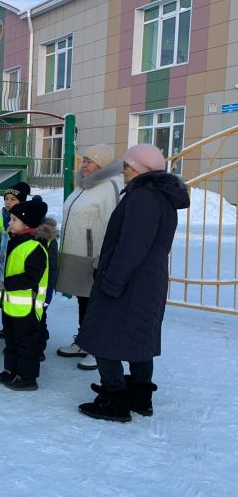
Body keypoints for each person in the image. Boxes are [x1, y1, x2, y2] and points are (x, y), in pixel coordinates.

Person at [76, 143, 189, 422]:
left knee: (103, 337)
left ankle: (115, 400)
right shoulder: (159, 196)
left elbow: (132, 246)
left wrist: (111, 282)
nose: (123, 170)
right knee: (139, 338)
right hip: (147, 281)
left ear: (139, 168)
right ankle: (140, 398)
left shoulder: (143, 197)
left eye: (127, 165)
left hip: (129, 281)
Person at [55, 144, 123, 370]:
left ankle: (97, 348)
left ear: (102, 165)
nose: (84, 165)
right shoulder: (83, 186)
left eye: (89, 161)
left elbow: (112, 224)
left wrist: (103, 257)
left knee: (95, 302)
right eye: (84, 160)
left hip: (93, 255)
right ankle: (84, 342)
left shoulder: (110, 186)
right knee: (82, 299)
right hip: (75, 252)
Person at [0, 199, 53, 391]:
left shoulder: (35, 247)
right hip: (10, 304)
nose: (9, 223)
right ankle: (11, 370)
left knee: (26, 344)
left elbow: (30, 277)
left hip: (28, 307)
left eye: (14, 220)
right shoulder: (12, 241)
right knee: (10, 341)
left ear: (26, 223)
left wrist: (5, 283)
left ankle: (27, 377)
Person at [0, 181, 31, 339]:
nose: (8, 202)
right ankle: (7, 328)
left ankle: (37, 342)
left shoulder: (27, 222)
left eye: (13, 199)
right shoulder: (1, 220)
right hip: (5, 268)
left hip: (21, 274)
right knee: (5, 301)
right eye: (7, 199)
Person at [28, 195, 59, 362]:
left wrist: (50, 288)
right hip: (30, 286)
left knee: (40, 317)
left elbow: (53, 266)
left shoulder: (48, 238)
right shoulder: (26, 234)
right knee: (31, 317)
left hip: (43, 287)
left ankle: (39, 347)